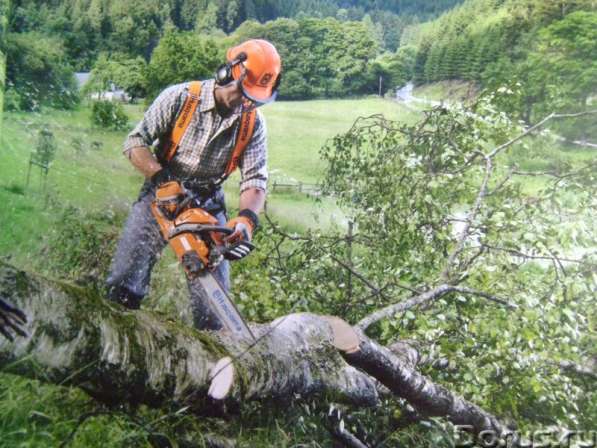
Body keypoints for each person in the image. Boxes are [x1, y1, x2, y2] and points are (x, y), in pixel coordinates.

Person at [105, 39, 282, 330]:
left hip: (208, 202)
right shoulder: (181, 97)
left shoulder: (253, 123)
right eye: (243, 91)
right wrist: (161, 178)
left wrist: (247, 220)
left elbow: (255, 179)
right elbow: (135, 142)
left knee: (214, 305)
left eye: (253, 97)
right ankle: (113, 338)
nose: (245, 102)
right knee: (125, 279)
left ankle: (211, 360)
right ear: (227, 72)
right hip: (160, 194)